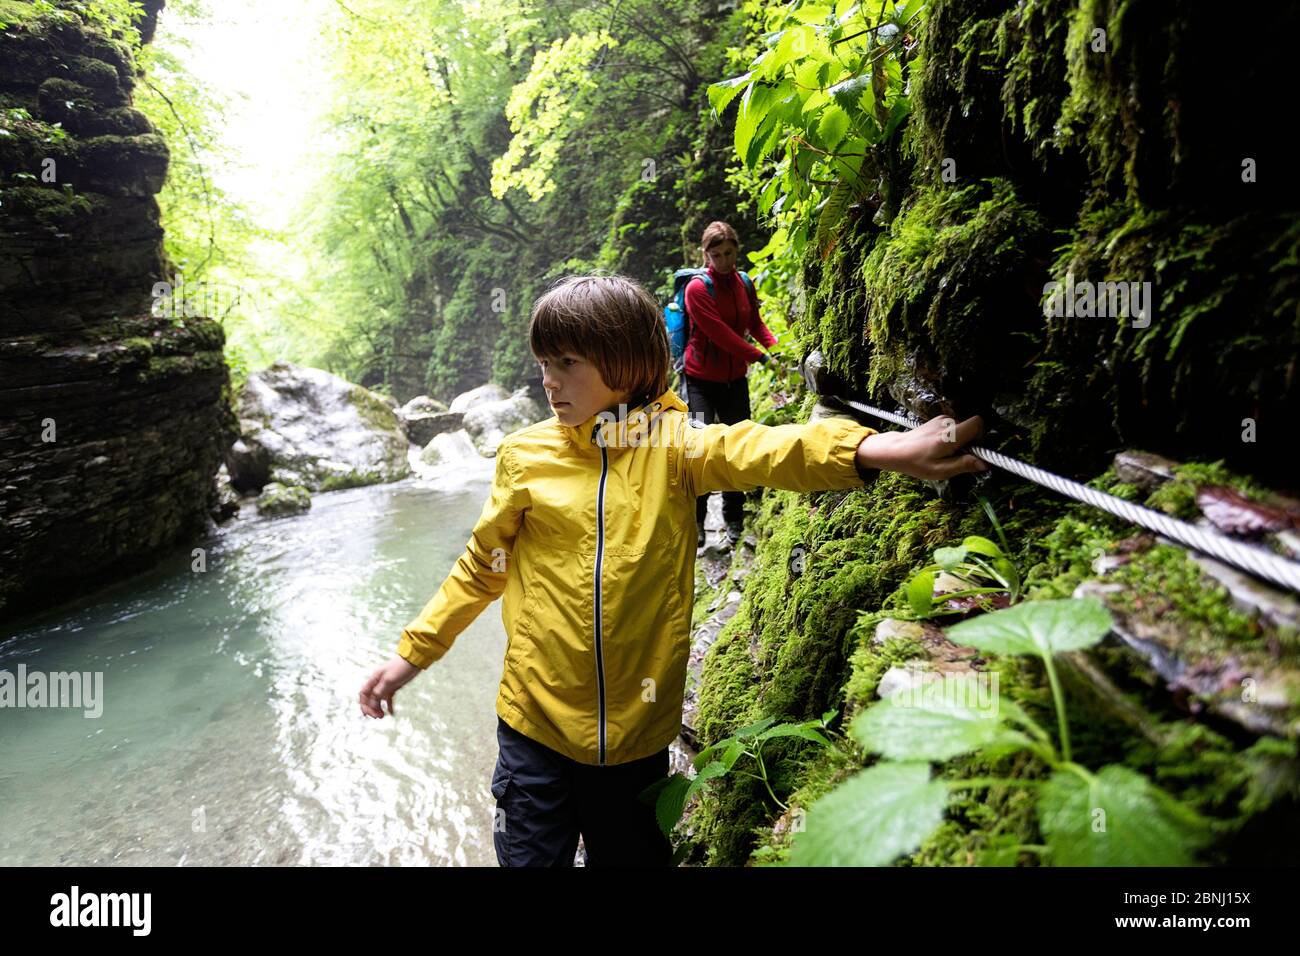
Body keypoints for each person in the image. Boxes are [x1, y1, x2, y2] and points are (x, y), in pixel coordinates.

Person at [357, 273, 987, 868]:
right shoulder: (526, 456)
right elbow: (481, 568)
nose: (550, 382)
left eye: (567, 364)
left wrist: (878, 449)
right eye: (544, 364)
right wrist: (411, 656)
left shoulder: (675, 447)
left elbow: (765, 450)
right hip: (534, 725)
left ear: (625, 361)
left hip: (636, 738)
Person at [681, 221, 786, 550]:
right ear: (706, 254)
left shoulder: (744, 283)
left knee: (737, 445)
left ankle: (734, 517)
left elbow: (754, 322)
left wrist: (777, 348)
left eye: (729, 253)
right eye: (716, 255)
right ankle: (696, 522)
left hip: (734, 380)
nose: (723, 260)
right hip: (700, 379)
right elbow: (720, 335)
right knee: (697, 449)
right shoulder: (697, 289)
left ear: (736, 250)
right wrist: (761, 357)